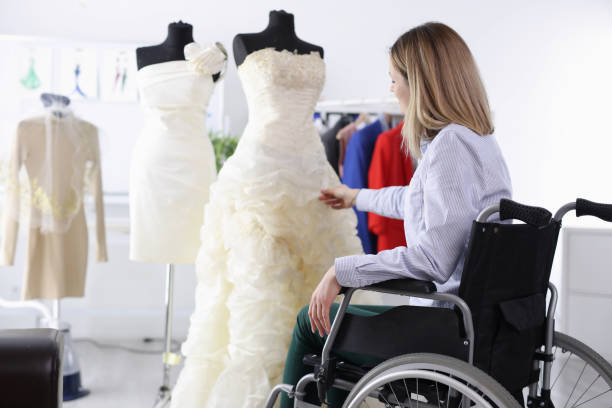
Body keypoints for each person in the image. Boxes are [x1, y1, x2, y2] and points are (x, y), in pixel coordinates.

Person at [280, 21, 512, 407]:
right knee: (336, 324)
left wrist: (341, 270)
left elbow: (432, 261)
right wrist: (357, 197)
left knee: (312, 321)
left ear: (419, 83)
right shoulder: (479, 140)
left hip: (446, 329)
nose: (391, 90)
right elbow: (419, 201)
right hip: (485, 322)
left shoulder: (450, 146)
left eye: (393, 80)